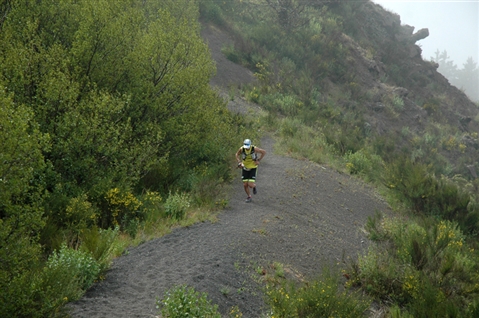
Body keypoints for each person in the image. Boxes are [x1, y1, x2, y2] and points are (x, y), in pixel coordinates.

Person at [235, 139, 266, 203]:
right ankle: (249, 196)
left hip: (253, 167)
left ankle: (254, 186)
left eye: (248, 147)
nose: (246, 148)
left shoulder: (254, 149)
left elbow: (263, 152)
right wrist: (239, 162)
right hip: (245, 167)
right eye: (246, 147)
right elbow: (237, 154)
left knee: (250, 185)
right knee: (245, 184)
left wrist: (258, 160)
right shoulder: (242, 149)